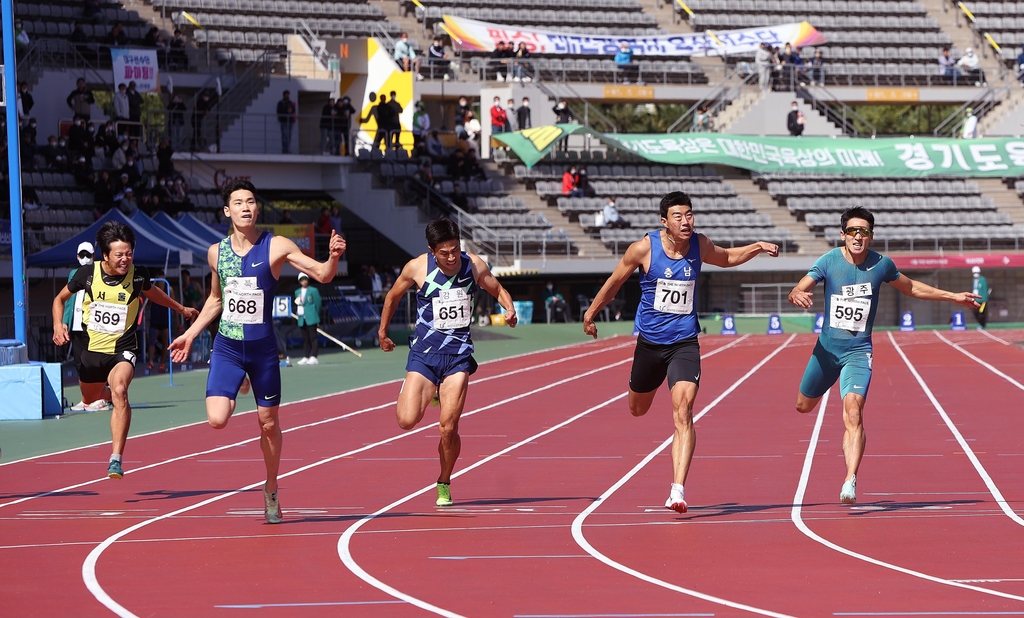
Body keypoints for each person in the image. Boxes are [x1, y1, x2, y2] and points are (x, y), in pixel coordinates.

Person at [583, 191, 780, 513]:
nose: (685, 221)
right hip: (649, 344)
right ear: (664, 222)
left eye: (689, 214)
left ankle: (677, 490)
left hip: (684, 343)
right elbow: (614, 283)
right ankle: (640, 389)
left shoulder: (699, 245)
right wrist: (590, 314)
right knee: (637, 408)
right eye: (678, 216)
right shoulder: (644, 248)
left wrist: (757, 246)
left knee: (683, 411)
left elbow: (727, 257)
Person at [168, 179, 347, 523]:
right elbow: (215, 300)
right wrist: (190, 335)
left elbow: (322, 275)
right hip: (228, 347)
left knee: (268, 424)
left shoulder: (276, 245)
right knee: (217, 420)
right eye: (238, 202)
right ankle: (239, 381)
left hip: (263, 350)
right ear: (227, 211)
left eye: (251, 201)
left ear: (257, 208)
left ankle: (271, 487)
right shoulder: (215, 253)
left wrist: (333, 257)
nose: (246, 207)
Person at [787, 206, 980, 505]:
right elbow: (802, 285)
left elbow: (912, 287)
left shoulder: (881, 265)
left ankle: (850, 480)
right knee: (802, 406)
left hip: (858, 351)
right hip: (827, 350)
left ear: (871, 236)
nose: (858, 236)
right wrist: (796, 292)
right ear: (843, 235)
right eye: (852, 231)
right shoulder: (829, 261)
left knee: (853, 412)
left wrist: (953, 295)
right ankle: (825, 386)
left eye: (864, 231)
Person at [377, 218, 517, 507]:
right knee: (406, 420)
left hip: (458, 357)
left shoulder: (473, 265)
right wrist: (382, 332)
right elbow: (392, 297)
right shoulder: (417, 268)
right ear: (431, 250)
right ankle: (426, 392)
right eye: (444, 253)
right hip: (424, 356)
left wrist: (509, 307)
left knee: (447, 428)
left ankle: (444, 481)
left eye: (455, 249)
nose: (452, 257)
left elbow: (498, 289)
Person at [52, 221, 199, 479]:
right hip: (91, 350)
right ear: (105, 255)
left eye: (129, 253)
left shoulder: (137, 275)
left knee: (120, 390)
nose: (125, 259)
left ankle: (115, 459)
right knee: (89, 399)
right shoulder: (86, 274)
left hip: (123, 348)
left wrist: (181, 309)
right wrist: (57, 324)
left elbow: (155, 295)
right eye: (119, 255)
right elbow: (59, 299)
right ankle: (105, 393)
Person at [62, 242, 109, 412]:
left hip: (93, 325)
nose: (85, 258)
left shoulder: (98, 272)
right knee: (79, 363)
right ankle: (86, 398)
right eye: (82, 255)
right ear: (77, 257)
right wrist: (64, 323)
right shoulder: (73, 274)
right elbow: (67, 301)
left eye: (88, 255)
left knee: (95, 363)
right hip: (76, 326)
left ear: (94, 256)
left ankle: (101, 398)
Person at [294, 273, 323, 365]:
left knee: (313, 337)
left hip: (311, 316)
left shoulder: (313, 290)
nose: (304, 281)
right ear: (299, 281)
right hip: (302, 317)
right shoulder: (297, 292)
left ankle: (314, 356)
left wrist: (316, 314)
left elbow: (318, 303)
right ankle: (306, 356)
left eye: (305, 279)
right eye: (302, 280)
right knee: (305, 338)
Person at [147, 277, 172, 371]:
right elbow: (148, 303)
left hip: (165, 319)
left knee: (166, 342)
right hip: (155, 319)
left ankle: (162, 363)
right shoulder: (152, 288)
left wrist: (177, 319)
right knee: (152, 340)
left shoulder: (169, 289)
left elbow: (173, 302)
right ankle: (150, 361)